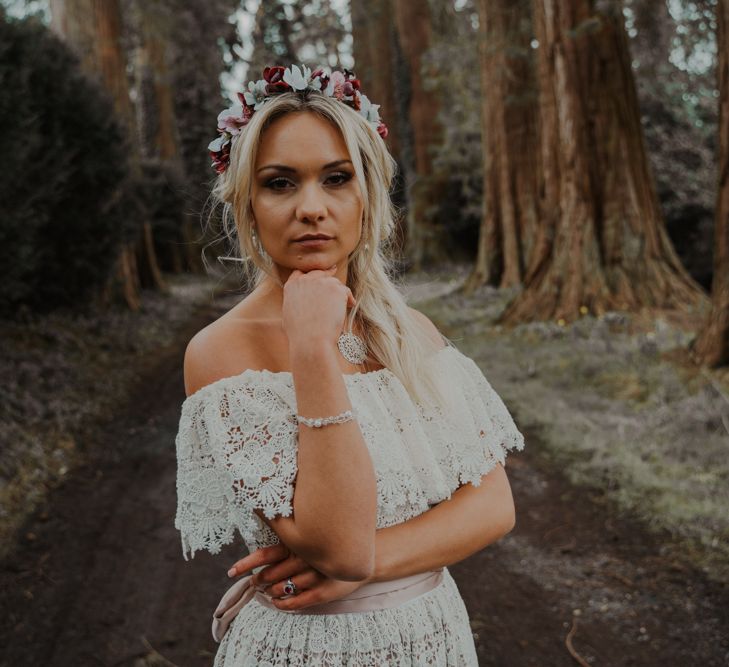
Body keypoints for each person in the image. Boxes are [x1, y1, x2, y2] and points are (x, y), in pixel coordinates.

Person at [174, 64, 526, 666]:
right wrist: (311, 348)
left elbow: (493, 507)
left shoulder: (410, 332)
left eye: (336, 178)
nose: (311, 207)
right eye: (280, 183)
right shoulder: (222, 352)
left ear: (368, 192)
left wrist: (367, 565)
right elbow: (338, 544)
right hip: (305, 648)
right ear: (246, 203)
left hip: (431, 638)